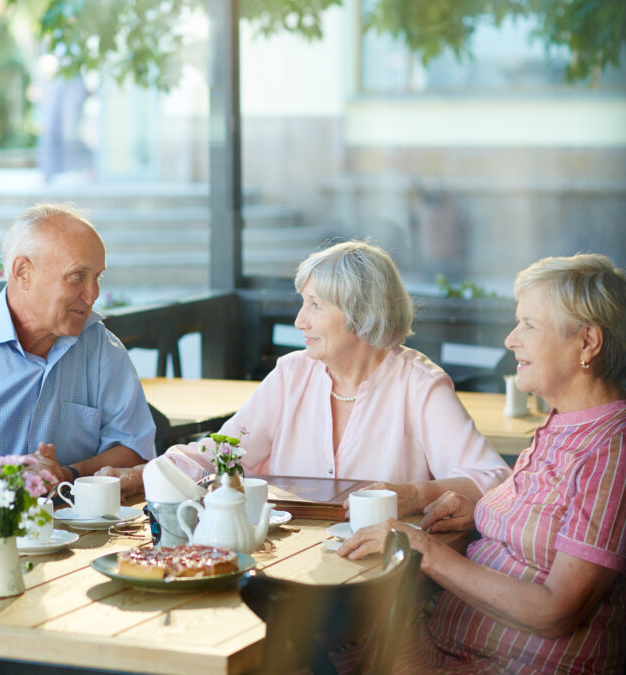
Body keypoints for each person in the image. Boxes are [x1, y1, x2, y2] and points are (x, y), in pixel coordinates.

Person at [340, 254, 626, 673]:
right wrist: (478, 512)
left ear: (587, 342)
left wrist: (423, 549)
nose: (511, 340)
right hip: (449, 645)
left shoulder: (610, 452)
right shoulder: (562, 423)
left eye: (529, 325)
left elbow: (555, 612)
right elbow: (549, 524)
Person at [166, 240, 509, 516]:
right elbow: (223, 453)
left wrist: (413, 494)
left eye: (315, 305)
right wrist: (145, 474)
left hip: (384, 564)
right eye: (303, 304)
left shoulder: (418, 384)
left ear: (362, 311)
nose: (300, 321)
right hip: (289, 553)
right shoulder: (291, 373)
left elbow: (491, 479)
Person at [0, 203, 155, 508]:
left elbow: (134, 448)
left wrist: (67, 474)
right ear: (23, 272)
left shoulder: (101, 348)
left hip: (70, 536)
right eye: (77, 277)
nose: (93, 294)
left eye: (97, 277)